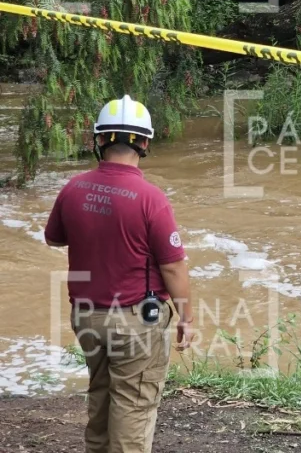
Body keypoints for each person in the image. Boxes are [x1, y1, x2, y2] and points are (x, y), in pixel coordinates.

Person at [44, 94, 194, 453]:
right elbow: (172, 265)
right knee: (135, 404)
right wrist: (186, 316)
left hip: (87, 317)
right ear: (144, 143)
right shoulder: (151, 198)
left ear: (99, 140)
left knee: (101, 392)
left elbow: (54, 238)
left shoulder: (73, 188)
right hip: (135, 321)